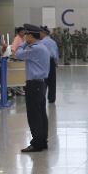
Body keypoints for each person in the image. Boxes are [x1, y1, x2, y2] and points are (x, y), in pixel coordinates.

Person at [16, 24, 51, 152]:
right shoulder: (42, 47)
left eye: (26, 35)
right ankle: (42, 141)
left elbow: (18, 54)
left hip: (34, 84)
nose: (25, 37)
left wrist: (23, 44)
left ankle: (37, 143)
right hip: (40, 84)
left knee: (34, 115)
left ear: (31, 35)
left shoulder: (35, 49)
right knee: (41, 113)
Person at [39, 26, 59, 104]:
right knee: (52, 81)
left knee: (44, 80)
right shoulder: (52, 41)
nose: (39, 34)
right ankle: (52, 98)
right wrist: (56, 62)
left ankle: (42, 97)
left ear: (44, 33)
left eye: (40, 33)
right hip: (52, 62)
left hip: (44, 62)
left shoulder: (41, 42)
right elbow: (56, 52)